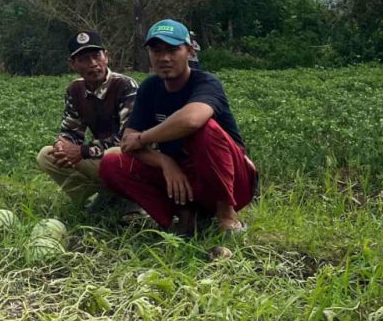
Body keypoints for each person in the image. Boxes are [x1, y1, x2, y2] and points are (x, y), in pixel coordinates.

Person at [99, 19, 257, 235]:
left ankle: (226, 217)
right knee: (112, 163)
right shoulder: (150, 88)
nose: (164, 58)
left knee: (204, 129)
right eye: (157, 50)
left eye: (173, 50)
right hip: (183, 177)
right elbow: (128, 142)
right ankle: (182, 218)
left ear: (190, 52)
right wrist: (164, 161)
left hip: (231, 179)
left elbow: (192, 120)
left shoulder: (206, 83)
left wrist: (144, 138)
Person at [36, 30, 138, 206]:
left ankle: (131, 202)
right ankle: (93, 200)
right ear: (73, 64)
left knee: (114, 155)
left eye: (96, 56)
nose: (93, 64)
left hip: (130, 157)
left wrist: (83, 151)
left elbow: (127, 140)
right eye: (84, 59)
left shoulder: (125, 86)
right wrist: (62, 144)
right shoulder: (75, 90)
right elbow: (71, 130)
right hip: (99, 155)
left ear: (106, 57)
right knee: (47, 155)